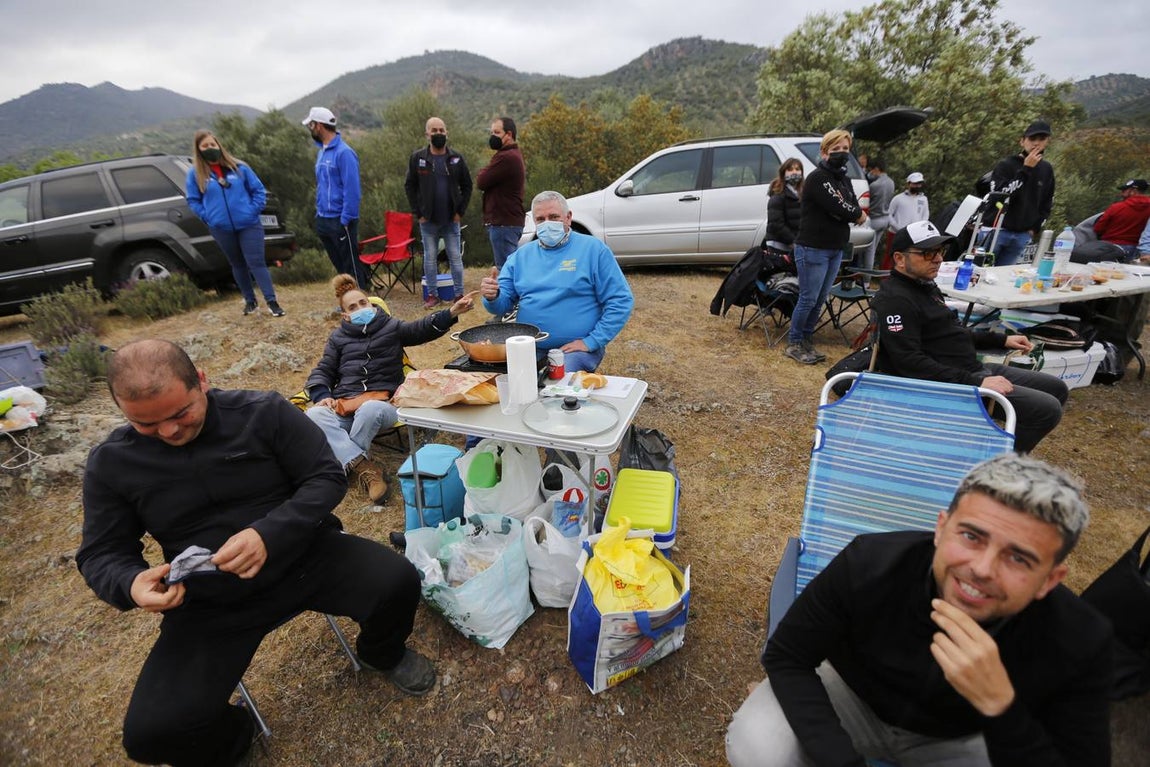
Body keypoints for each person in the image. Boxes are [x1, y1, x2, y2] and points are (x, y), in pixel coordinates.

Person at [76, 339, 436, 767]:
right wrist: (128, 583)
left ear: (202, 382)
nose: (169, 432)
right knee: (152, 736)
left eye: (180, 413)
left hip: (305, 557)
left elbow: (324, 477)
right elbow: (101, 552)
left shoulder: (262, 412)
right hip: (210, 599)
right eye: (146, 425)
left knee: (397, 580)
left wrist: (269, 533)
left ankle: (382, 653)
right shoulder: (112, 463)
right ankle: (235, 737)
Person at [726, 452, 1112, 767]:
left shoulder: (1080, 639)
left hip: (966, 735)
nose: (982, 569)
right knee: (758, 746)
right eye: (972, 536)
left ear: (1050, 579)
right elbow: (788, 655)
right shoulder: (870, 563)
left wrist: (1000, 706)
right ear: (941, 529)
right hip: (849, 697)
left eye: (1019, 559)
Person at [871, 221, 1069, 453]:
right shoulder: (896, 300)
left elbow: (950, 333)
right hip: (950, 386)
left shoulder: (924, 285)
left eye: (940, 251)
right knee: (1047, 410)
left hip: (969, 369)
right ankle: (996, 471)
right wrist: (977, 383)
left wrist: (1000, 340)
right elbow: (908, 362)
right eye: (927, 253)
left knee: (1057, 388)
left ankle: (990, 446)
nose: (937, 259)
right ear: (899, 259)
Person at [306, 274, 475, 503]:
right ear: (346, 315)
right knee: (313, 414)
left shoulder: (391, 327)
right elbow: (323, 370)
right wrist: (322, 395)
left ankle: (344, 462)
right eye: (353, 307)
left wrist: (451, 312)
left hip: (384, 404)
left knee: (370, 410)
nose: (360, 308)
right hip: (345, 405)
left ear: (371, 303)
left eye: (363, 303)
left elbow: (420, 329)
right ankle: (366, 468)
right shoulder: (338, 338)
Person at [479, 190, 634, 374]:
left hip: (573, 350)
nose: (547, 224)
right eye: (541, 219)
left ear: (568, 218)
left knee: (555, 386)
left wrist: (591, 341)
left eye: (553, 217)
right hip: (529, 346)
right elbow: (500, 306)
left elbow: (620, 300)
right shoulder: (520, 256)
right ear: (534, 222)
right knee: (506, 382)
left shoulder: (594, 250)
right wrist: (492, 296)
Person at [785, 129, 867, 366]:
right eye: (836, 149)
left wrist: (850, 212)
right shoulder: (817, 178)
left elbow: (850, 206)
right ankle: (795, 341)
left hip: (835, 247)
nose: (842, 154)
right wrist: (850, 213)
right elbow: (845, 209)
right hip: (813, 247)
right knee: (808, 298)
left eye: (845, 149)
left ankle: (807, 338)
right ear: (824, 152)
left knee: (821, 298)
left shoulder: (844, 180)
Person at [185, 130, 285, 318]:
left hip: (249, 224)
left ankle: (272, 302)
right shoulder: (195, 174)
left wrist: (253, 210)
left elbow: (258, 190)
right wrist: (207, 216)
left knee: (256, 262)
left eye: (212, 145)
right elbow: (193, 200)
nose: (210, 148)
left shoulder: (239, 168)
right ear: (199, 149)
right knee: (237, 264)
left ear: (219, 145)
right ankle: (250, 302)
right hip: (220, 227)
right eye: (205, 146)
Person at [404, 117, 473, 309]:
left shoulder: (456, 158)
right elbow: (409, 186)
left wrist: (460, 211)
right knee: (430, 257)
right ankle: (432, 296)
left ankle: (459, 294)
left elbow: (467, 185)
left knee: (455, 257)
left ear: (447, 133)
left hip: (452, 220)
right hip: (428, 221)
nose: (438, 134)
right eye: (434, 130)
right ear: (427, 134)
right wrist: (418, 212)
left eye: (442, 130)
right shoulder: (418, 158)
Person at [303, 106, 366, 289]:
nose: (310, 129)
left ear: (318, 126)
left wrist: (346, 219)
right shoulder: (321, 152)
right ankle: (348, 301)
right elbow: (322, 185)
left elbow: (352, 189)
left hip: (341, 220)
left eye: (311, 125)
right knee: (340, 267)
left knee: (350, 266)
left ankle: (361, 301)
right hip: (324, 218)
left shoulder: (344, 153)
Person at [981, 120, 1055, 266]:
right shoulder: (1006, 165)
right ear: (1022, 141)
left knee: (1005, 279)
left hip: (1022, 235)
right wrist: (1026, 170)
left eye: (1041, 139)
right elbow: (1000, 195)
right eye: (1032, 139)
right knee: (980, 273)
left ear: (1047, 142)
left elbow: (1047, 201)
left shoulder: (1046, 169)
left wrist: (1035, 228)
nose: (1036, 144)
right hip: (996, 231)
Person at [476, 116, 526, 269]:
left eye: (497, 132)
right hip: (508, 222)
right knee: (510, 267)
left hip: (504, 223)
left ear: (509, 135)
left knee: (506, 270)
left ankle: (509, 294)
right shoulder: (509, 155)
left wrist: (483, 171)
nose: (493, 136)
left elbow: (481, 181)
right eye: (491, 132)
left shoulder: (506, 157)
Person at [1094, 179, 1150, 261]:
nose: (1122, 193)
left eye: (1124, 190)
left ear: (1133, 191)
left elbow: (1098, 228)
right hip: (1136, 250)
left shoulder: (1116, 207)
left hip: (1110, 247)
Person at [862, 157, 895, 271]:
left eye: (872, 170)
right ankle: (866, 278)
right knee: (873, 250)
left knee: (868, 253)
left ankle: (865, 281)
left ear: (877, 169)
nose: (871, 172)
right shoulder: (891, 182)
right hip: (885, 219)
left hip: (874, 220)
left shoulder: (874, 185)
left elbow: (868, 203)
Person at [764, 158, 803, 255]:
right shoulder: (777, 195)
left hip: (797, 244)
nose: (794, 172)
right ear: (783, 173)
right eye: (790, 170)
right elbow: (776, 224)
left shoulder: (803, 193)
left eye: (797, 169)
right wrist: (793, 241)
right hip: (779, 245)